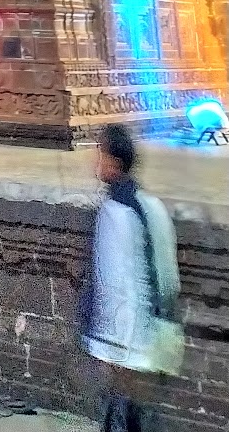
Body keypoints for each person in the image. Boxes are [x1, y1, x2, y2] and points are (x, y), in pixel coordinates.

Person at [81, 123, 182, 432]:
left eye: (100, 153)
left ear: (113, 162)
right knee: (136, 414)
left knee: (125, 416)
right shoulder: (153, 206)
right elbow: (168, 279)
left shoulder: (115, 213)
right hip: (154, 332)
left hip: (128, 340)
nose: (96, 162)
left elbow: (116, 285)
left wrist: (114, 349)